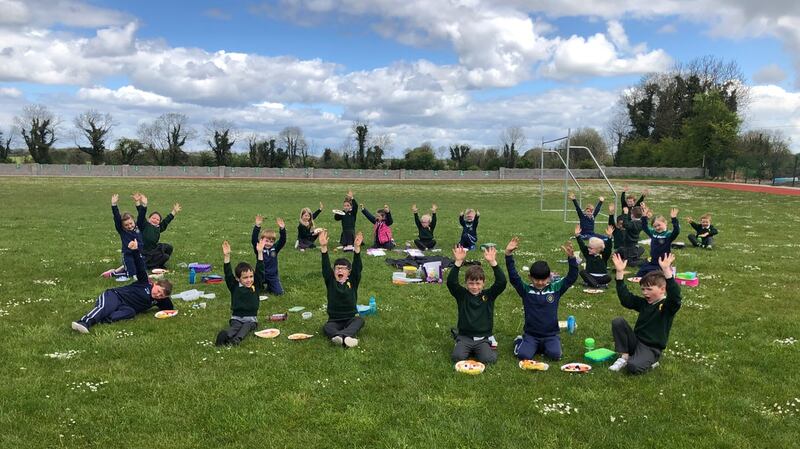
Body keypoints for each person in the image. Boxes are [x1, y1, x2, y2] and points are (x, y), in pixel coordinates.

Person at [72, 240, 173, 333]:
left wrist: (165, 298)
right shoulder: (145, 283)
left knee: (130, 313)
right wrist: (135, 251)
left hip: (125, 307)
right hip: (115, 296)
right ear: (155, 284)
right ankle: (83, 322)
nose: (158, 295)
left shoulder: (159, 299)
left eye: (161, 295)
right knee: (105, 307)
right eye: (158, 291)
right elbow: (140, 268)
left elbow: (169, 309)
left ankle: (102, 319)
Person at [505, 237, 578, 361]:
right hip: (531, 334)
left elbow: (571, 278)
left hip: (551, 334)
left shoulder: (556, 289)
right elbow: (514, 278)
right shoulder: (526, 290)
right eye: (536, 279)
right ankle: (520, 341)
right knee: (523, 356)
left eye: (543, 279)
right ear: (530, 277)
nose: (540, 282)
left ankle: (548, 345)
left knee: (555, 355)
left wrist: (572, 259)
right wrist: (508, 255)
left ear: (549, 278)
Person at [608, 252, 681, 374]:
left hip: (651, 348)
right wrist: (619, 273)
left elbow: (675, 297)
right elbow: (626, 299)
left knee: (633, 367)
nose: (645, 293)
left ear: (662, 289)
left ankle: (653, 360)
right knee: (618, 322)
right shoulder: (644, 303)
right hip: (636, 341)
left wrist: (666, 271)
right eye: (643, 289)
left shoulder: (667, 306)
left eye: (649, 289)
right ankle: (624, 357)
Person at [447, 244, 507, 364]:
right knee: (457, 358)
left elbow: (502, 282)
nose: (474, 287)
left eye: (478, 283)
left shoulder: (488, 296)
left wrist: (493, 262)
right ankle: (462, 344)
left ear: (483, 283)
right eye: (471, 283)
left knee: (489, 360)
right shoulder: (462, 295)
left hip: (482, 338)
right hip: (465, 337)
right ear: (466, 283)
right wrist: (458, 262)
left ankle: (487, 345)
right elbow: (451, 282)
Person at [319, 229, 365, 348]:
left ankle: (340, 337)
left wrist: (356, 249)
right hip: (334, 319)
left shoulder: (353, 281)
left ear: (348, 272)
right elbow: (325, 267)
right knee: (327, 327)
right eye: (337, 268)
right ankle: (346, 338)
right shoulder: (331, 281)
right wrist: (324, 248)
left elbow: (357, 267)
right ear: (334, 271)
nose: (340, 270)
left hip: (350, 318)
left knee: (359, 321)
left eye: (343, 268)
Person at [215, 239, 265, 346]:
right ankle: (226, 336)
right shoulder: (234, 287)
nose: (249, 280)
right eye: (245, 277)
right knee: (235, 327)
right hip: (236, 318)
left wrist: (260, 252)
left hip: (251, 320)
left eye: (251, 276)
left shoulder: (255, 285)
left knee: (246, 326)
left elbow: (260, 271)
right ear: (238, 279)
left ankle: (236, 340)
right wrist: (227, 256)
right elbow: (228, 274)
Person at [102, 193, 147, 279]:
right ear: (122, 226)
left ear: (134, 221)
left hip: (139, 254)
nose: (129, 226)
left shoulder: (138, 227)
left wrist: (144, 205)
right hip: (128, 255)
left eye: (131, 223)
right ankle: (113, 274)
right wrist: (114, 205)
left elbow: (141, 216)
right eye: (126, 225)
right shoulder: (122, 231)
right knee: (131, 275)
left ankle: (121, 270)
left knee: (142, 272)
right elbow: (117, 217)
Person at [636, 204, 679, 277]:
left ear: (665, 223)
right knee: (639, 274)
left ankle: (668, 270)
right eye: (655, 226)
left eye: (659, 225)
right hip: (653, 261)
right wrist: (644, 217)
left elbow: (676, 231)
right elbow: (644, 227)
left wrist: (674, 219)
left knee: (656, 275)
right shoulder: (653, 233)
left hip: (663, 263)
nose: (657, 227)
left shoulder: (668, 235)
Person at [140, 194, 181, 269]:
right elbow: (141, 216)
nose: (155, 220)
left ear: (159, 222)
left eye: (157, 219)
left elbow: (166, 221)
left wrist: (174, 211)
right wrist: (144, 205)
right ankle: (152, 265)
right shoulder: (144, 225)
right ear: (149, 219)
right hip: (145, 252)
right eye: (153, 218)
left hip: (154, 249)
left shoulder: (159, 228)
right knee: (165, 256)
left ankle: (159, 263)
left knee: (169, 248)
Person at [251, 215, 286, 295]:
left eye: (271, 241)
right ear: (261, 240)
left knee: (279, 293)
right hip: (260, 275)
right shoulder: (259, 248)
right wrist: (257, 226)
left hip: (272, 275)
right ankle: (260, 285)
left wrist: (282, 229)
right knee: (254, 292)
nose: (268, 243)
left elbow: (282, 241)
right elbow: (253, 239)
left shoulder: (274, 249)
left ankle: (270, 286)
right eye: (266, 241)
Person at [574, 224, 613, 288]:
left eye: (591, 248)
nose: (588, 249)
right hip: (590, 275)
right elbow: (582, 245)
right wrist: (578, 236)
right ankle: (597, 285)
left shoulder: (604, 255)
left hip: (602, 277)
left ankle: (592, 283)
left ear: (599, 249)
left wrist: (609, 237)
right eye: (588, 247)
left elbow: (609, 248)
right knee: (582, 272)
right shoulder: (588, 254)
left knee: (608, 277)